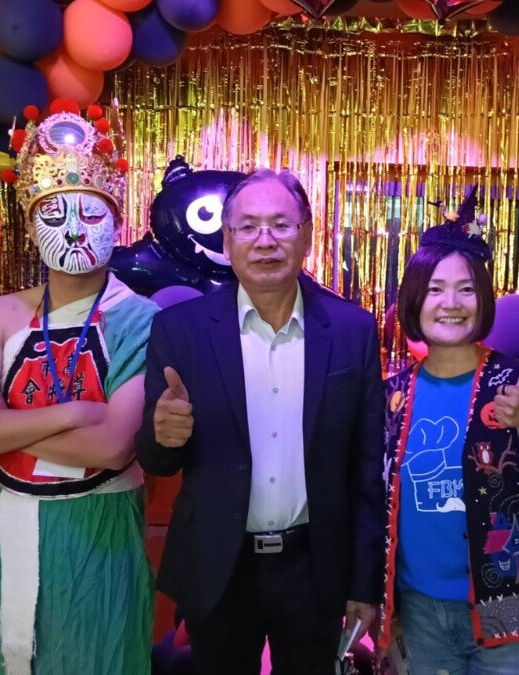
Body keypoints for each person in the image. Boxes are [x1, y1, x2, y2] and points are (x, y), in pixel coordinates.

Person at [136, 169, 385, 675]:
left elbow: (366, 473)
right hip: (219, 566)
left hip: (314, 568)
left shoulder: (352, 330)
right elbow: (156, 460)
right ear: (227, 240)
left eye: (281, 225)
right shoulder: (180, 330)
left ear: (307, 235)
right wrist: (163, 436)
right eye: (247, 227)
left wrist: (364, 583)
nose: (265, 240)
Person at [0, 99, 157, 674]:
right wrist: (73, 414)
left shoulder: (141, 319)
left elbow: (112, 446)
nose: (74, 231)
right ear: (32, 228)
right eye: (55, 215)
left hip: (96, 533)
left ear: (117, 220)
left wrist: (0, 422)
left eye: (91, 214)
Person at [378, 191, 519, 674]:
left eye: (466, 289)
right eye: (435, 289)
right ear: (413, 300)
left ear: (484, 299)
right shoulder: (392, 397)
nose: (451, 303)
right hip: (421, 613)